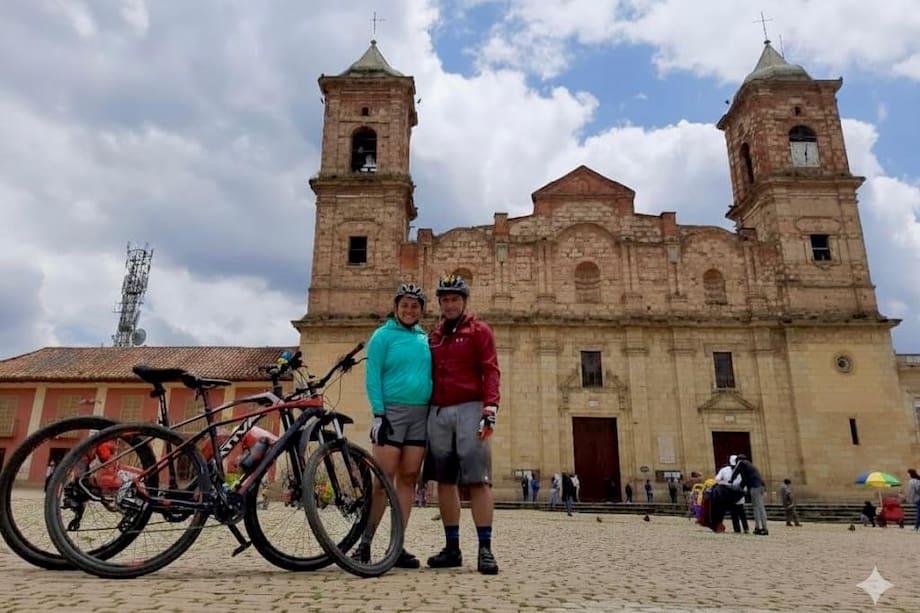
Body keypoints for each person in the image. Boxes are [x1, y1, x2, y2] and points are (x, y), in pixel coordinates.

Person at [425, 274, 501, 575]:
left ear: (464, 301)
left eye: (454, 299)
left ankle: (485, 549)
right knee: (445, 481)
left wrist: (490, 407)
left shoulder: (479, 330)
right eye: (445, 299)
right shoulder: (434, 336)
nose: (449, 304)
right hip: (439, 411)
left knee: (478, 479)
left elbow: (490, 369)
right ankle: (452, 547)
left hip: (471, 408)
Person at [353, 283, 433, 569]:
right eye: (405, 305)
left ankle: (396, 545)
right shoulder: (382, 336)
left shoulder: (425, 339)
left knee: (409, 477)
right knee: (382, 479)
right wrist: (378, 413)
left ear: (422, 310)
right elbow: (372, 376)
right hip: (392, 413)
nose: (410, 310)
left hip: (420, 415)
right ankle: (366, 541)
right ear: (397, 307)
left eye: (415, 306)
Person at [731, 454, 768, 535]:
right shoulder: (749, 466)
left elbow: (735, 472)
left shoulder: (742, 463)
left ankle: (764, 528)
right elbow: (744, 481)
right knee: (758, 507)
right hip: (760, 486)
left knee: (758, 508)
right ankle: (758, 527)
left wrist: (731, 480)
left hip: (755, 487)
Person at [715, 455, 748, 534]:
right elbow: (717, 479)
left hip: (739, 493)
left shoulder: (742, 470)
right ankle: (737, 529)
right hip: (730, 494)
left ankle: (745, 528)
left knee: (741, 512)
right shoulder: (724, 470)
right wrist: (725, 484)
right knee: (734, 513)